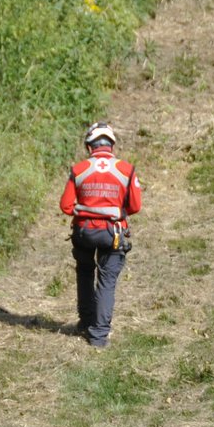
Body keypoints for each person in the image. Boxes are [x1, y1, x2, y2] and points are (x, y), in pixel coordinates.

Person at [59, 121, 142, 348]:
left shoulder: (79, 169)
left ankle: (85, 322)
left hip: (84, 232)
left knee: (85, 274)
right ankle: (98, 337)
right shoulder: (126, 170)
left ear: (89, 147)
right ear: (112, 146)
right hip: (112, 233)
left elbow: (66, 206)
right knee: (106, 282)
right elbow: (135, 206)